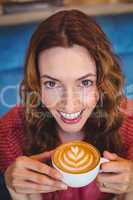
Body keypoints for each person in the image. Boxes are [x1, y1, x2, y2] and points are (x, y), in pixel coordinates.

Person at [0, 9, 133, 200]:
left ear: (102, 82)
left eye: (85, 82)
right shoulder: (8, 135)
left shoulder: (130, 123)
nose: (69, 105)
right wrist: (9, 190)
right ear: (36, 84)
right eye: (52, 84)